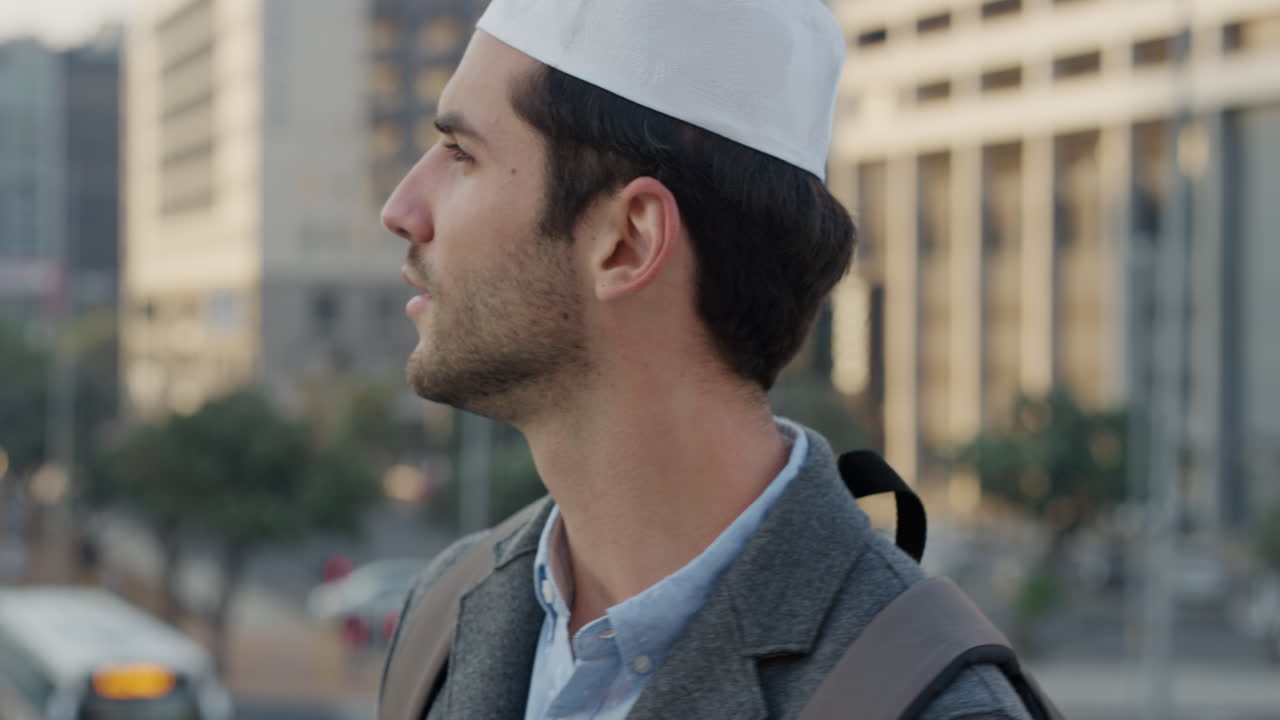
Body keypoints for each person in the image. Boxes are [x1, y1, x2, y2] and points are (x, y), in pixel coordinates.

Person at [377, 1, 1035, 718]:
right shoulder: (445, 614)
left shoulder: (934, 707)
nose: (403, 207)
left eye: (460, 154)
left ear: (628, 240)